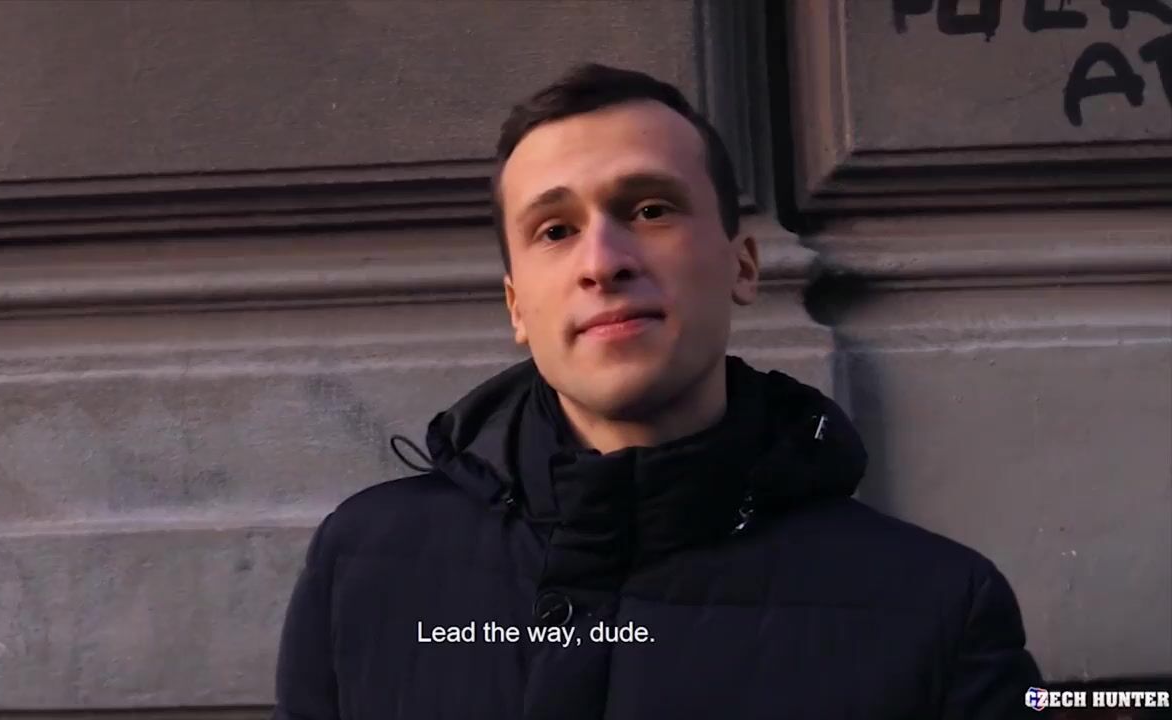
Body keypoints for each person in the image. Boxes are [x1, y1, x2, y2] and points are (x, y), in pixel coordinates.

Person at [272, 62, 1043, 720]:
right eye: (554, 230)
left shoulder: (937, 608)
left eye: (649, 210)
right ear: (516, 307)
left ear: (742, 266)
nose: (602, 262)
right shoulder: (363, 564)